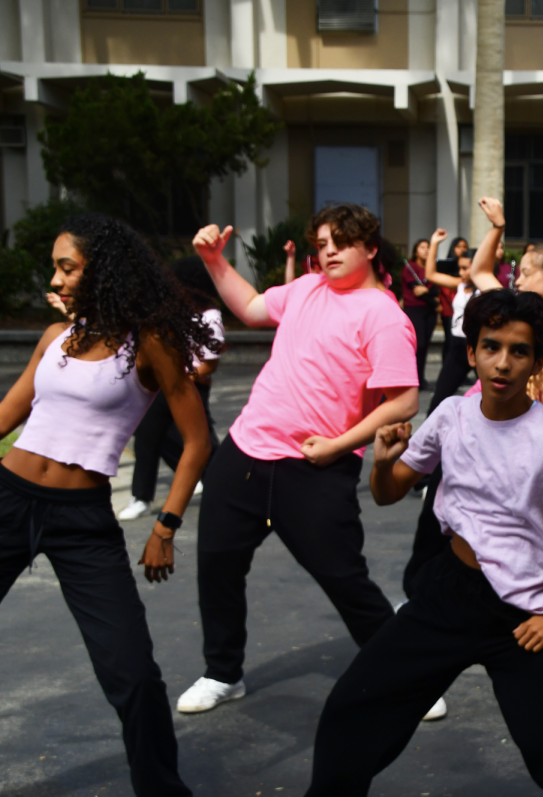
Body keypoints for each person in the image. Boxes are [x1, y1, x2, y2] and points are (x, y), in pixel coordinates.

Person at [0, 214, 217, 796]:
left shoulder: (150, 343)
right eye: (56, 268)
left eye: (68, 266)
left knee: (134, 674)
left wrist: (166, 524)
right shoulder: (55, 338)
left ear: (104, 269)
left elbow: (198, 441)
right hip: (3, 505)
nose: (57, 278)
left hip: (81, 522)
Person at [304, 288, 543, 797]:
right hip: (448, 594)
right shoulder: (452, 416)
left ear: (537, 360)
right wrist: (383, 461)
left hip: (522, 613)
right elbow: (390, 494)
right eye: (491, 346)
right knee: (352, 711)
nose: (503, 363)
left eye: (519, 350)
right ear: (472, 352)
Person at [175, 203, 420, 714]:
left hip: (316, 467)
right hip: (244, 451)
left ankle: (404, 676)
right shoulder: (307, 288)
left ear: (370, 249)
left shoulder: (383, 315)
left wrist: (336, 445)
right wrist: (215, 261)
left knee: (344, 578)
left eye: (341, 242)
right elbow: (252, 308)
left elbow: (403, 400)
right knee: (217, 568)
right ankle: (223, 672)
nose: (328, 251)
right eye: (322, 243)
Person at [404, 199, 543, 665]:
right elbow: (480, 270)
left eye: (528, 269)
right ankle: (421, 600)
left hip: (527, 445)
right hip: (476, 432)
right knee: (439, 516)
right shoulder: (511, 311)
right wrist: (497, 227)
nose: (517, 275)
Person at [119, 256, 225, 519]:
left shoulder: (210, 317)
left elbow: (209, 364)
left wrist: (184, 375)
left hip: (190, 387)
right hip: (165, 386)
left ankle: (222, 483)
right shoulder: (174, 314)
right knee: (148, 436)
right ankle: (141, 498)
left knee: (201, 440)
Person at [424, 228, 480, 416]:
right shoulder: (460, 284)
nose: (461, 272)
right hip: (457, 348)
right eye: (460, 268)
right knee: (439, 399)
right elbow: (431, 275)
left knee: (493, 400)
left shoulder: (486, 288)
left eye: (465, 268)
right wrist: (434, 243)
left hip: (478, 348)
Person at [402, 237, 438, 389]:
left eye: (428, 247)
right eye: (422, 247)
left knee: (425, 346)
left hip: (429, 310)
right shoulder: (410, 267)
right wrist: (433, 297)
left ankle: (421, 379)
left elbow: (436, 289)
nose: (426, 250)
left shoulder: (432, 269)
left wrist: (428, 290)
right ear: (416, 250)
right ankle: (412, 379)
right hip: (415, 309)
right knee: (419, 345)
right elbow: (417, 290)